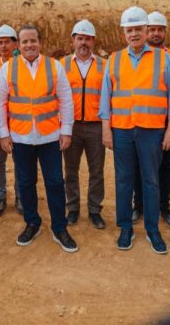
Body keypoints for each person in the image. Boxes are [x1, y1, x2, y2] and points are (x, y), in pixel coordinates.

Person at [100, 7, 170, 255]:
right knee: (123, 181)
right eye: (129, 30)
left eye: (138, 29)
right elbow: (106, 99)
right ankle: (126, 228)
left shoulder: (163, 58)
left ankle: (152, 229)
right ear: (124, 32)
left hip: (151, 131)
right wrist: (106, 130)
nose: (134, 34)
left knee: (151, 181)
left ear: (146, 30)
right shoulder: (114, 60)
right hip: (122, 130)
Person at [0, 24, 79, 252]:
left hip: (50, 137)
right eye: (24, 42)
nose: (29, 45)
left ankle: (59, 227)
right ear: (18, 45)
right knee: (26, 183)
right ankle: (32, 222)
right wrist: (3, 134)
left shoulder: (54, 66)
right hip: (21, 138)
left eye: (33, 40)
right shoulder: (8, 69)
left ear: (40, 43)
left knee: (54, 183)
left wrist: (66, 130)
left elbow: (65, 99)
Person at [131, 11, 170, 229]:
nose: (156, 33)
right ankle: (138, 205)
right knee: (139, 166)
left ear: (165, 32)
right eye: (151, 29)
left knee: (164, 168)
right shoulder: (136, 57)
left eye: (160, 29)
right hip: (142, 123)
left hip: (165, 123)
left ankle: (163, 207)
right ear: (145, 31)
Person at [61, 20, 107, 229]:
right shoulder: (62, 65)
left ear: (93, 41)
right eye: (80, 38)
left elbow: (109, 97)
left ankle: (95, 210)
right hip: (71, 127)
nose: (83, 43)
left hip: (95, 127)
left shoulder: (104, 66)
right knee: (70, 170)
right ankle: (73, 209)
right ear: (73, 41)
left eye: (87, 39)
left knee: (96, 171)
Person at [0, 24, 22, 217]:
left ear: (15, 43)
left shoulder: (22, 65)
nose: (3, 46)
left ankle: (20, 196)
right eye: (0, 42)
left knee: (20, 162)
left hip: (19, 124)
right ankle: (0, 196)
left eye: (7, 42)